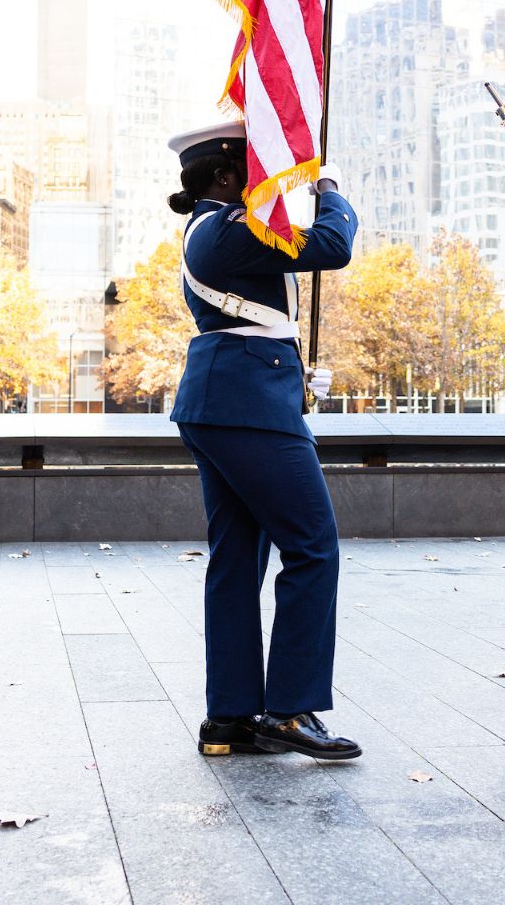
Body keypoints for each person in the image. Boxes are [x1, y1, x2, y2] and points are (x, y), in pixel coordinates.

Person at [165, 121, 360, 761]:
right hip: (248, 402)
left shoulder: (213, 229)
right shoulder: (230, 229)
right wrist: (329, 189)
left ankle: (230, 717)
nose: (269, 177)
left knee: (238, 557)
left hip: (233, 394)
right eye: (256, 165)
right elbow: (333, 245)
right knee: (312, 546)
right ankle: (292, 710)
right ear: (226, 176)